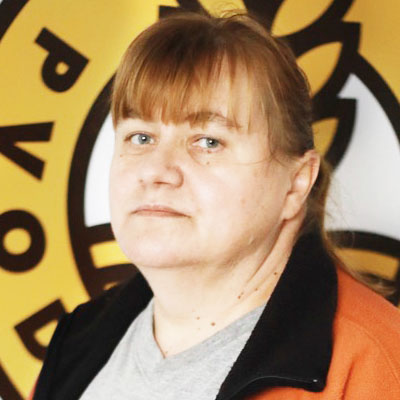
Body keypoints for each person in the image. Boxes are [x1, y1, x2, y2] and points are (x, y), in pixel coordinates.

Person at [31, 11, 400, 400]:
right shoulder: (75, 342)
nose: (156, 170)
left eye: (208, 141)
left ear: (296, 184)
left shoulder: (376, 366)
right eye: (141, 137)